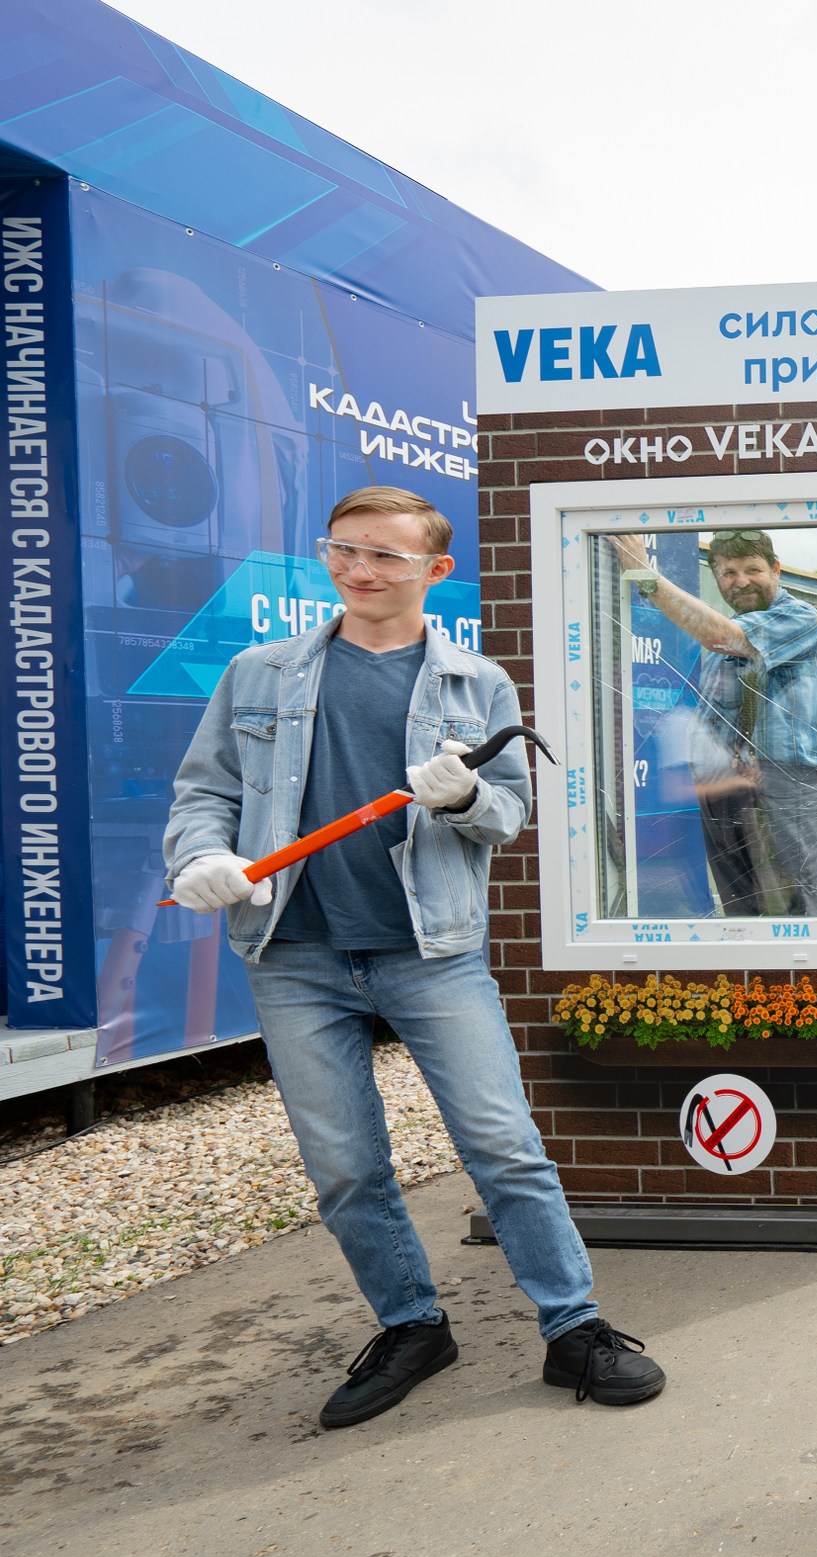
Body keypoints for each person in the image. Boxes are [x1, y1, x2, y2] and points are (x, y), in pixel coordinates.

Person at [166, 485, 664, 1427]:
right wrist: (201, 855)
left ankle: (575, 1327)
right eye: (344, 550)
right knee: (346, 1167)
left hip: (431, 951)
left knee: (503, 1146)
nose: (359, 570)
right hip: (295, 954)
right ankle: (411, 1324)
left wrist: (461, 800)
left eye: (386, 556)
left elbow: (509, 813)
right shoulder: (259, 673)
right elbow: (205, 793)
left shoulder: (478, 686)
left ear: (435, 570)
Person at [627, 530, 817, 917]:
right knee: (742, 911)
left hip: (789, 785)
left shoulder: (800, 619)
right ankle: (754, 979)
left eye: (752, 569)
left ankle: (810, 980)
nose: (740, 581)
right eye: (728, 573)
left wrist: (644, 576)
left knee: (800, 907)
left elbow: (724, 638)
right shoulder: (726, 632)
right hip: (728, 790)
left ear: (776, 570)